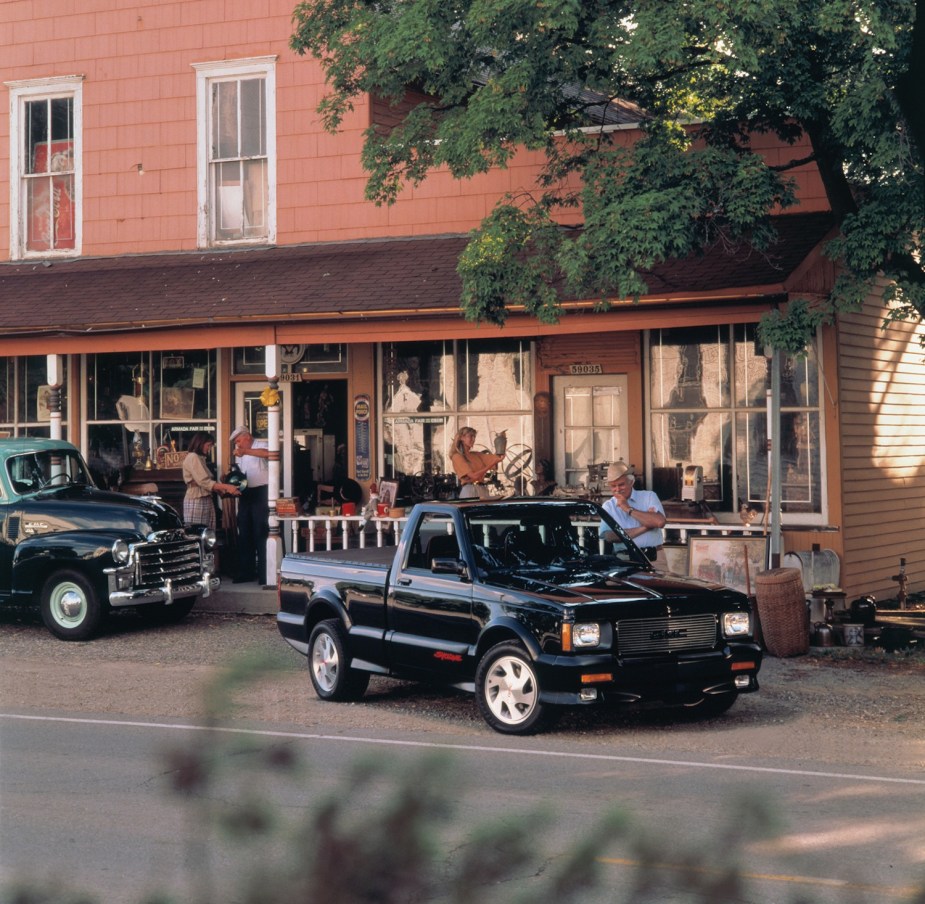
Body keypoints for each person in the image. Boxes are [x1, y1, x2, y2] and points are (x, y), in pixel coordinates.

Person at [599, 460, 668, 569]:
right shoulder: (608, 506)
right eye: (613, 486)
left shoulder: (649, 496)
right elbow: (610, 536)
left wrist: (628, 509)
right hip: (624, 561)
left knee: (659, 586)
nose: (617, 490)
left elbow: (659, 522)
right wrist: (645, 527)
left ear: (631, 482)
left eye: (621, 484)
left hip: (654, 559)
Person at [229, 425, 270, 584]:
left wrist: (245, 451)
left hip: (261, 492)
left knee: (261, 530)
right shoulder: (241, 453)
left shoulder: (261, 444)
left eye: (239, 440)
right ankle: (247, 571)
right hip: (246, 493)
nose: (238, 444)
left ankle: (264, 574)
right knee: (244, 531)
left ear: (247, 437)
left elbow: (268, 454)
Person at [182, 432, 240, 528]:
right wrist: (228, 487)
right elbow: (204, 482)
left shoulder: (201, 458)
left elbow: (207, 483)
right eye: (208, 445)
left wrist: (223, 493)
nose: (209, 449)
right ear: (200, 443)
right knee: (198, 532)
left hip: (206, 499)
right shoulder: (193, 457)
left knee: (208, 534)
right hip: (196, 500)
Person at [449, 427, 504, 499]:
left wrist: (501, 441)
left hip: (482, 488)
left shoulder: (476, 455)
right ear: (462, 438)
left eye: (474, 436)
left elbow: (497, 457)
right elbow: (473, 476)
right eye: (470, 436)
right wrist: (490, 465)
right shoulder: (457, 457)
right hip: (470, 489)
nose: (473, 439)